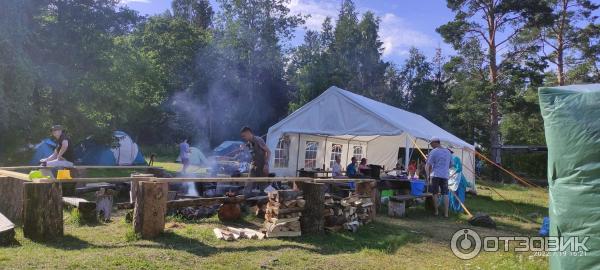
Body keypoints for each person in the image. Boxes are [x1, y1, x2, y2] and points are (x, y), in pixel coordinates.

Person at [425, 137, 454, 218]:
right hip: (445, 176)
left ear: (435, 142)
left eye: (431, 143)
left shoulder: (434, 151)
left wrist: (427, 176)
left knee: (435, 193)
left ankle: (436, 211)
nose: (431, 145)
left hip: (435, 175)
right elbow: (451, 165)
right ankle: (446, 214)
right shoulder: (448, 152)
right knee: (445, 194)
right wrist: (444, 169)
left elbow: (427, 165)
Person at [240, 127, 271, 194]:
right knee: (248, 184)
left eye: (244, 136)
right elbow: (250, 154)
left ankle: (267, 201)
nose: (243, 138)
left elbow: (268, 151)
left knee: (264, 187)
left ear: (248, 133)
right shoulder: (249, 143)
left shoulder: (258, 140)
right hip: (254, 166)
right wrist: (243, 148)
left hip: (262, 166)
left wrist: (266, 164)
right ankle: (246, 200)